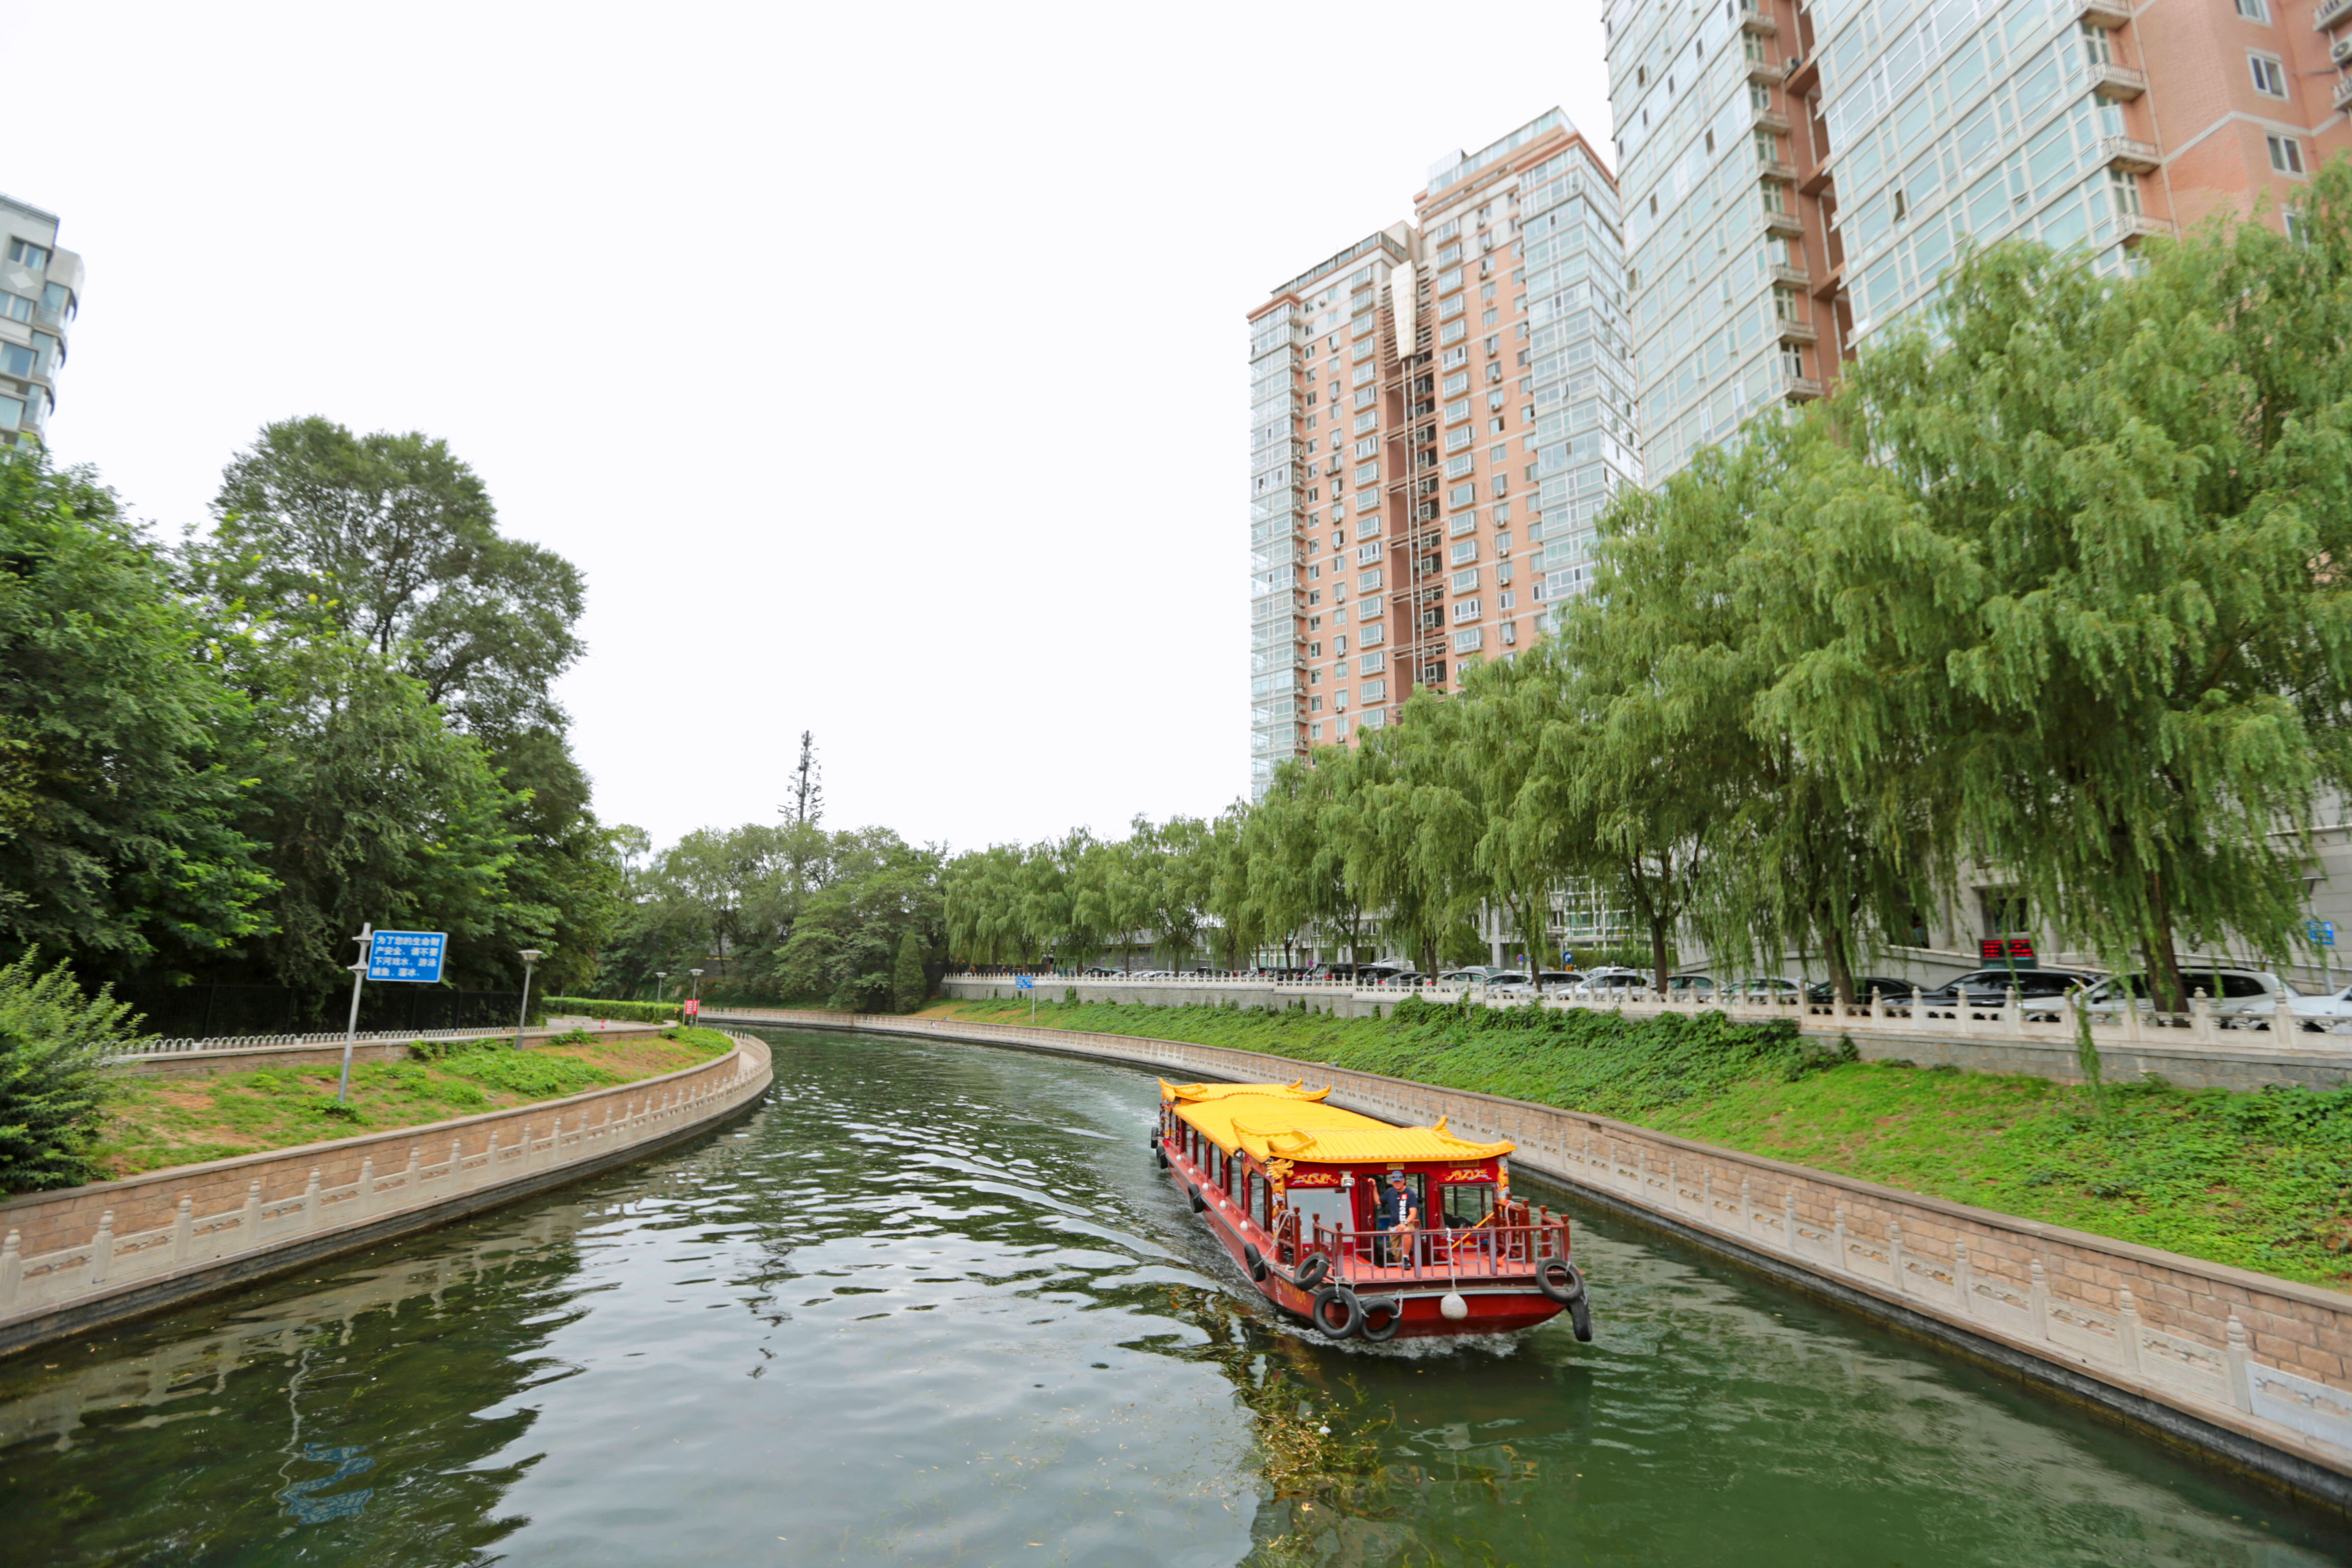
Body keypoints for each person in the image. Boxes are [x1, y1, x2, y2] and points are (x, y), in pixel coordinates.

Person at [1383, 1173, 1419, 1267]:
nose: (1397, 1183)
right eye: (1395, 1181)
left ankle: (1406, 1258)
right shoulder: (1389, 1192)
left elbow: (1413, 1213)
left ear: (1404, 1180)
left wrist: (1405, 1224)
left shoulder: (1410, 1193)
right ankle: (1400, 1263)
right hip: (1393, 1227)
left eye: (1399, 1181)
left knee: (1406, 1232)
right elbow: (1379, 1202)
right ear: (1392, 1181)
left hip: (1407, 1224)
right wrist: (1374, 1187)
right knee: (1396, 1252)